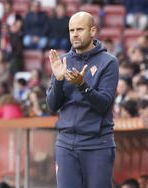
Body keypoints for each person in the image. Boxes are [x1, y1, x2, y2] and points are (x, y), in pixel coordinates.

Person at [46, 11, 119, 188]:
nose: (75, 34)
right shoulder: (62, 61)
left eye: (80, 29)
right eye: (71, 30)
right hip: (66, 144)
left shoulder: (108, 62)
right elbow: (52, 106)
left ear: (93, 31)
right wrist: (58, 80)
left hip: (97, 144)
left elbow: (103, 104)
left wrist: (82, 85)